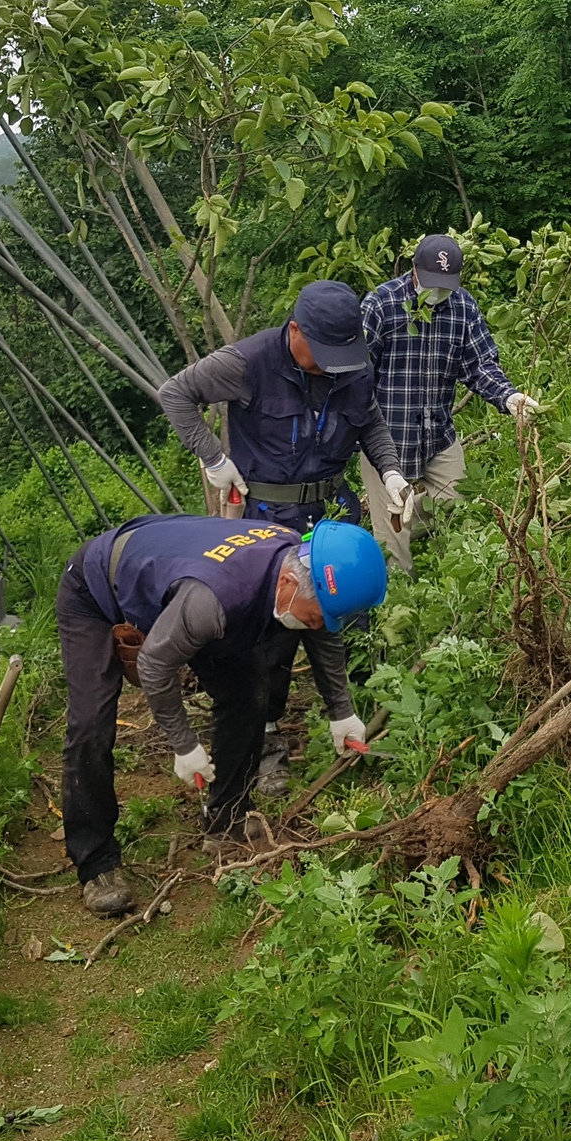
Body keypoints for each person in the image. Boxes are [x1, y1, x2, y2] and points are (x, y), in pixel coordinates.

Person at [56, 514, 388, 916]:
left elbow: (322, 632)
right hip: (97, 585)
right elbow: (156, 665)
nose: (317, 625)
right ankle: (96, 863)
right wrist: (185, 745)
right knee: (91, 724)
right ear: (287, 584)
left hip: (178, 576)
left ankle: (226, 818)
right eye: (315, 614)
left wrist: (342, 712)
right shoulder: (210, 602)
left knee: (249, 690)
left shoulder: (298, 562)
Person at [156, 279, 412, 792]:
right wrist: (213, 456)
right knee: (268, 637)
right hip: (268, 520)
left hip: (332, 514)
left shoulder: (351, 364)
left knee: (343, 614)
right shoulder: (247, 362)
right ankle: (266, 740)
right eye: (321, 353)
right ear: (295, 330)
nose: (330, 365)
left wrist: (390, 473)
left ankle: (350, 719)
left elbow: (371, 425)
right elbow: (175, 393)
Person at [359, 233, 540, 571]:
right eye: (431, 282)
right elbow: (357, 375)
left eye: (445, 284)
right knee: (394, 551)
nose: (438, 291)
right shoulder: (381, 304)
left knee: (458, 506)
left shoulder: (463, 306)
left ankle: (385, 537)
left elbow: (480, 365)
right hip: (386, 439)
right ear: (413, 269)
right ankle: (394, 602)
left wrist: (510, 397)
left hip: (438, 434)